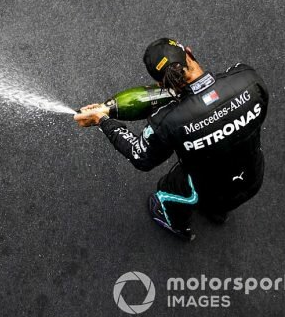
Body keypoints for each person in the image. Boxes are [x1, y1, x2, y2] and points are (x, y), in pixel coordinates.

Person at [74, 38, 268, 241]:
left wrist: (103, 120)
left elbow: (140, 156)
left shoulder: (167, 122)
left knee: (170, 188)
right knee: (224, 195)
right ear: (190, 53)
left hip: (206, 190)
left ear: (160, 84)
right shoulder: (247, 77)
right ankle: (218, 213)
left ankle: (177, 225)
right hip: (253, 176)